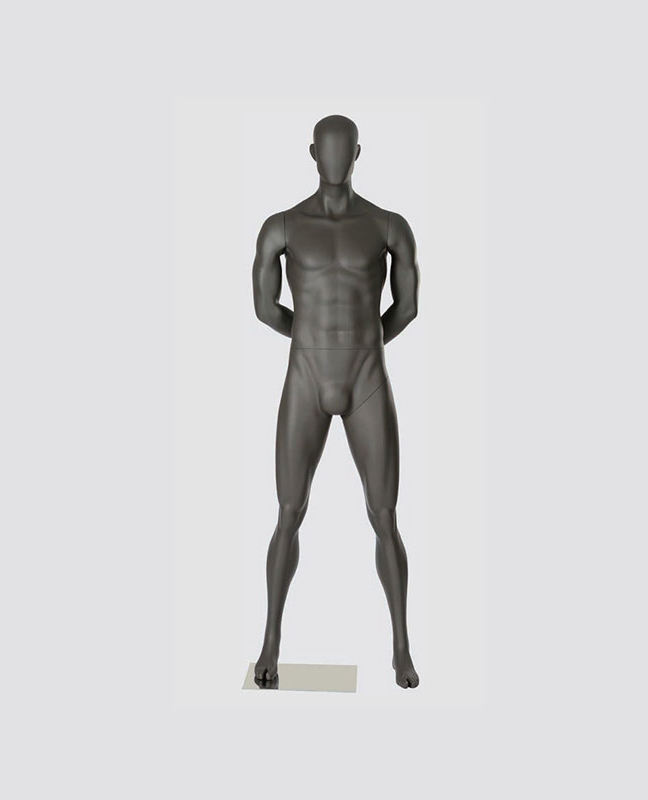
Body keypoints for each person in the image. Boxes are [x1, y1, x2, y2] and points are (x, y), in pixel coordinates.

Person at [251, 115, 420, 688]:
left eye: (344, 149)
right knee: (288, 512)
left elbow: (407, 307)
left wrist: (361, 343)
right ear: (312, 153)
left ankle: (401, 648)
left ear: (357, 154)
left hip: (366, 375)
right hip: (306, 375)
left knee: (385, 515)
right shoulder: (281, 227)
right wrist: (314, 341)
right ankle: (270, 643)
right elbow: (264, 309)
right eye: (327, 149)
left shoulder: (389, 226)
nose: (335, 158)